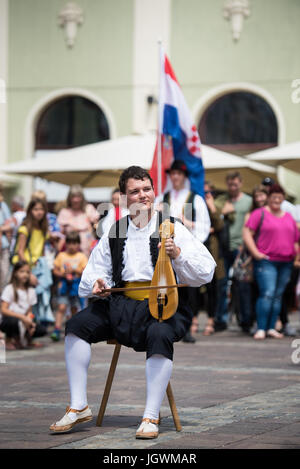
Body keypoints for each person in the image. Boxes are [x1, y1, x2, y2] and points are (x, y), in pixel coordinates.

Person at [49, 165, 216, 439]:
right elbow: (93, 273)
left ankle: (151, 415)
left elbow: (206, 271)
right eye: (134, 191)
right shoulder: (115, 230)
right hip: (120, 305)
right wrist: (98, 285)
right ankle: (78, 405)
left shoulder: (171, 225)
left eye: (147, 189)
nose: (142, 196)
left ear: (154, 191)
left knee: (161, 333)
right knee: (77, 325)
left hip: (162, 306)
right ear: (125, 198)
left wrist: (179, 254)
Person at [155, 160, 211, 342]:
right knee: (165, 285)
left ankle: (186, 326)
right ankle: (167, 319)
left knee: (188, 288)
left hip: (185, 248)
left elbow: (204, 226)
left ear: (184, 177)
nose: (175, 177)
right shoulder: (163, 198)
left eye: (179, 174)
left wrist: (187, 225)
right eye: (173, 174)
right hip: (163, 248)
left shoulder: (195, 198)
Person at [243, 184, 299, 340]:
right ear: (268, 198)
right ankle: (261, 327)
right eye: (274, 197)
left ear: (283, 199)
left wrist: (296, 256)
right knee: (267, 293)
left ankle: (271, 327)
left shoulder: (288, 216)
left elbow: (296, 240)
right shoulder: (259, 213)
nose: (276, 200)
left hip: (286, 262)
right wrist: (255, 253)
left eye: (279, 197)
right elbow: (247, 233)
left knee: (277, 295)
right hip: (267, 261)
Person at [261, 178, 299, 336]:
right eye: (270, 190)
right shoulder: (263, 210)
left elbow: (297, 234)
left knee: (282, 293)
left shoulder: (289, 210)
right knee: (270, 292)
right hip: (269, 259)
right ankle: (269, 325)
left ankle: (280, 322)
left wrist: (297, 257)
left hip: (287, 259)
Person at [215, 171, 252, 332]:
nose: (232, 187)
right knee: (222, 284)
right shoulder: (223, 201)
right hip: (224, 247)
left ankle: (244, 320)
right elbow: (215, 218)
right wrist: (223, 213)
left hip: (241, 247)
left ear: (241, 183)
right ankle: (221, 320)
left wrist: (246, 244)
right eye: (230, 184)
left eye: (235, 184)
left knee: (241, 286)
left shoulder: (248, 201)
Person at [11, 198, 54, 326]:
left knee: (33, 301)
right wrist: (28, 274)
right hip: (23, 269)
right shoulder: (25, 228)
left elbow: (41, 252)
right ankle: (18, 334)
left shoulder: (42, 229)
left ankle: (30, 331)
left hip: (37, 268)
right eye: (36, 209)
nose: (39, 212)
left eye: (41, 209)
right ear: (30, 211)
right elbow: (20, 252)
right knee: (22, 301)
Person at [51, 232, 88, 342]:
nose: (72, 246)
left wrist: (75, 270)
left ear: (79, 244)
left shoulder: (81, 256)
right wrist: (62, 274)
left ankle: (73, 328)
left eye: (75, 243)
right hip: (64, 285)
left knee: (74, 308)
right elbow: (55, 269)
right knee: (61, 307)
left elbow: (85, 271)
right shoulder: (61, 255)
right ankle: (57, 328)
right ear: (66, 244)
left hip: (76, 286)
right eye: (70, 243)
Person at [0, 261, 44, 350]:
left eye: (28, 272)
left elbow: (30, 312)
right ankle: (9, 339)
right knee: (12, 322)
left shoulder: (31, 291)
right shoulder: (10, 288)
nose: (25, 275)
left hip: (23, 320)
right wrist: (22, 317)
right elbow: (3, 310)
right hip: (10, 318)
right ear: (15, 273)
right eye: (22, 271)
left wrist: (30, 320)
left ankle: (26, 339)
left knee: (40, 329)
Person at [202, 181, 226, 336]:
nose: (207, 195)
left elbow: (219, 225)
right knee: (195, 290)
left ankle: (211, 320)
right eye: (204, 193)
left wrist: (211, 206)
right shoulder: (193, 204)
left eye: (209, 192)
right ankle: (194, 321)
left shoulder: (214, 206)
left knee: (213, 288)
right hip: (197, 246)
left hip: (213, 250)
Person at [57, 185, 99, 258]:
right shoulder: (64, 212)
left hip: (89, 251)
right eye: (73, 197)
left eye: (78, 197)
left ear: (82, 198)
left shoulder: (88, 209)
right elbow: (60, 234)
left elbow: (98, 226)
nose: (75, 200)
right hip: (70, 252)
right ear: (69, 198)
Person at [0, 184, 13, 294]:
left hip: (3, 248)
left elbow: (11, 224)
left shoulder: (3, 205)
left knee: (4, 276)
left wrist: (1, 228)